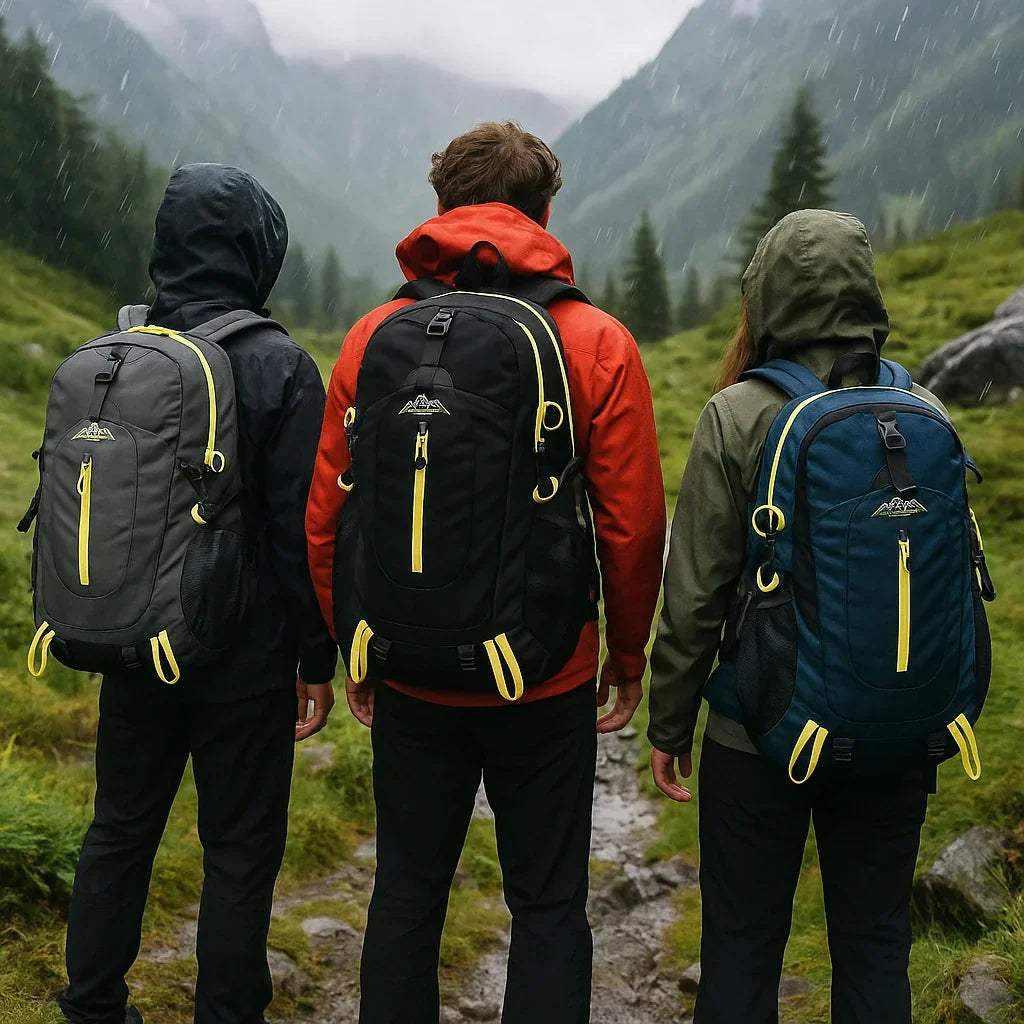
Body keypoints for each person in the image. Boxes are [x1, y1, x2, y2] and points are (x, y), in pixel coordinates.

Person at [306, 122, 666, 1024]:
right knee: (546, 901)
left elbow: (327, 515)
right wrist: (626, 655)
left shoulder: (373, 337)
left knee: (407, 890)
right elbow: (630, 527)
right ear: (546, 212)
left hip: (410, 667)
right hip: (545, 669)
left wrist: (358, 645)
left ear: (441, 212)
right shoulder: (597, 341)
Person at [648, 210, 950, 1024]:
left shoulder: (738, 413)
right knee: (878, 944)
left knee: (742, 949)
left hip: (761, 731)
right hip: (893, 726)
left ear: (766, 297)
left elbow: (696, 596)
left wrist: (669, 724)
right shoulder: (919, 405)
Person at [57, 164, 337, 1024]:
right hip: (240, 656)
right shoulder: (282, 365)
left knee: (120, 827)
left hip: (136, 637)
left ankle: (93, 1004)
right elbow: (299, 533)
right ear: (259, 250)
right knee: (240, 851)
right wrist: (315, 659)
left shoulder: (123, 353)